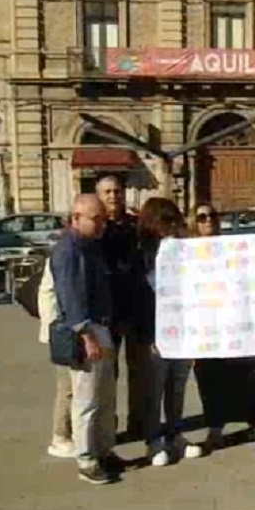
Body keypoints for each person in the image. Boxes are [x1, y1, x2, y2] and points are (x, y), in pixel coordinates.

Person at [188, 203, 255, 453]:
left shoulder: (231, 248)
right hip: (205, 325)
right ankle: (215, 428)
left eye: (212, 216)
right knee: (209, 377)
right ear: (194, 222)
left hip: (232, 321)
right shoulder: (186, 251)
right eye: (202, 217)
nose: (208, 221)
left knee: (245, 375)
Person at [51, 194, 119, 484]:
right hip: (86, 332)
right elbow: (70, 297)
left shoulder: (90, 246)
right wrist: (86, 335)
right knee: (86, 399)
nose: (101, 223)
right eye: (95, 218)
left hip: (102, 328)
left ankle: (104, 451)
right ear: (75, 217)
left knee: (105, 397)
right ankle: (86, 459)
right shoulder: (68, 250)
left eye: (103, 217)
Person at [131, 198, 203, 466]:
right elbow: (139, 298)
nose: (172, 228)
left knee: (178, 385)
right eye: (167, 222)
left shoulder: (184, 251)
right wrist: (148, 335)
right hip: (155, 334)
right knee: (155, 388)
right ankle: (153, 439)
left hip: (183, 329)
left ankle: (175, 433)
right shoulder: (143, 256)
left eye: (175, 222)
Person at [94, 174, 143, 439]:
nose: (113, 196)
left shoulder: (135, 225)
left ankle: (138, 422)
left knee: (139, 371)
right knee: (106, 375)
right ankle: (108, 428)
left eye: (117, 191)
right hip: (106, 314)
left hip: (134, 309)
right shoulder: (96, 229)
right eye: (107, 192)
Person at [39, 248, 74, 459]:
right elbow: (52, 296)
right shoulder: (63, 255)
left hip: (61, 330)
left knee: (72, 387)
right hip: (62, 332)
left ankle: (69, 433)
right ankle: (60, 436)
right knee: (67, 388)